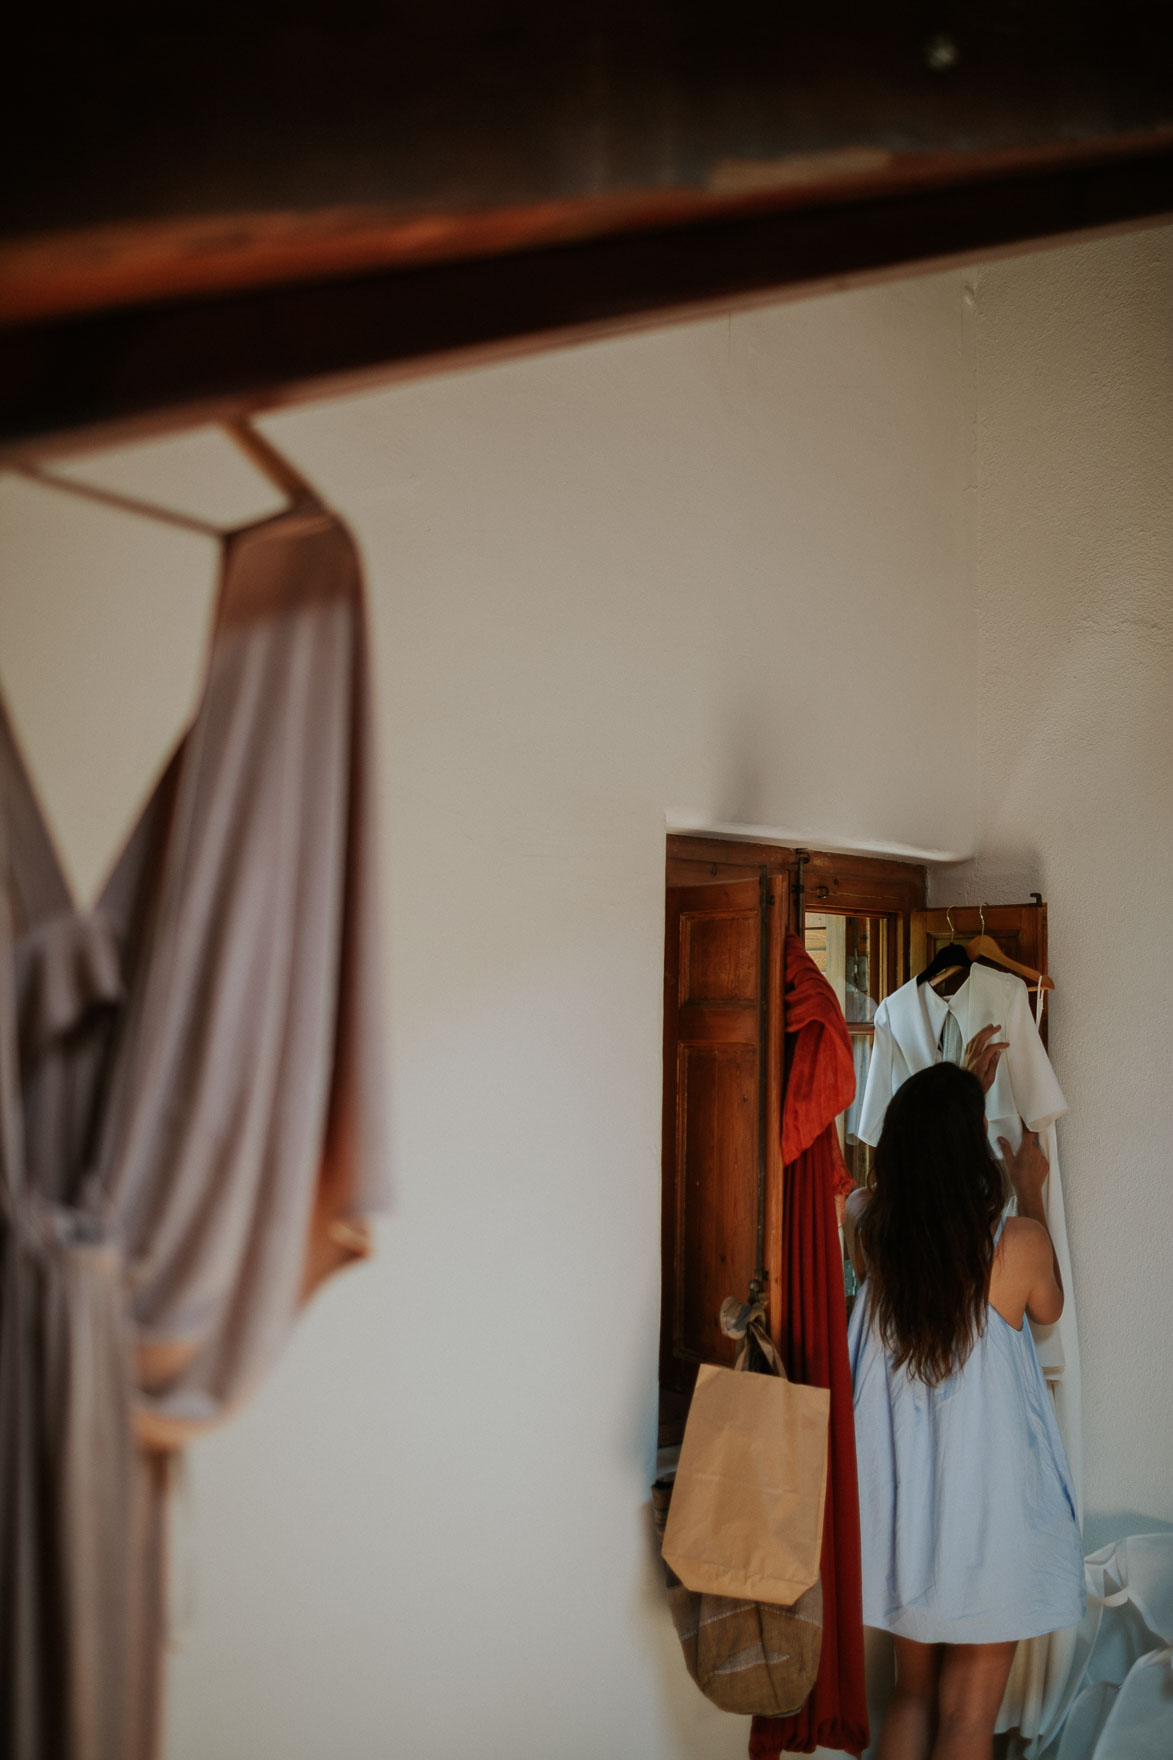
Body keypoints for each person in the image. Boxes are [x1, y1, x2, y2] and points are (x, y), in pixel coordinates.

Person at [845, 1026, 1085, 1760]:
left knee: (912, 1697)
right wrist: (1032, 1188)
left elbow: (911, 1174)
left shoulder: (866, 1226)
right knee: (968, 1719)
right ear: (971, 1151)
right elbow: (1049, 1311)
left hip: (904, 1517)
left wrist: (955, 1092)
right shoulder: (1014, 1247)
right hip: (989, 1519)